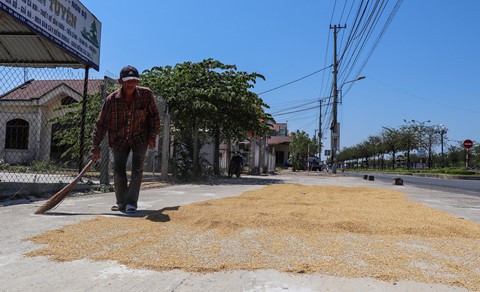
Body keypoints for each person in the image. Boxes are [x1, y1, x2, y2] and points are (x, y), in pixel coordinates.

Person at [89, 65, 160, 213]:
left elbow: (154, 116)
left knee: (137, 169)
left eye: (134, 81)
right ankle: (121, 202)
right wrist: (95, 146)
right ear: (120, 81)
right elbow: (101, 124)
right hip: (119, 139)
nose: (131, 84)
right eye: (128, 81)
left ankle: (131, 203)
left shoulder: (146, 95)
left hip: (140, 137)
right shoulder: (111, 100)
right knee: (118, 170)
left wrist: (153, 135)